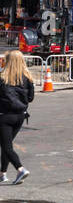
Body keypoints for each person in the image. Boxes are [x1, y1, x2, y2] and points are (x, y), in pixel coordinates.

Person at [0, 50, 35, 186]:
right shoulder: (27, 78)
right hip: (20, 115)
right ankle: (3, 173)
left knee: (7, 146)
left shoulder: (3, 78)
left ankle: (20, 168)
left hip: (4, 116)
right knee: (6, 144)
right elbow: (31, 98)